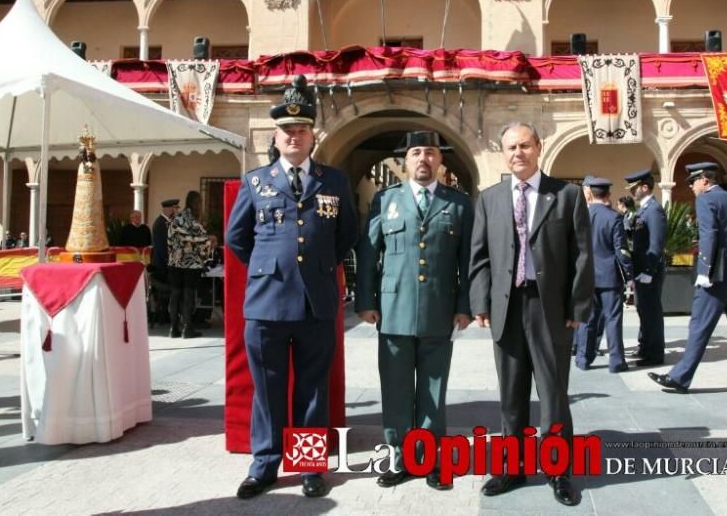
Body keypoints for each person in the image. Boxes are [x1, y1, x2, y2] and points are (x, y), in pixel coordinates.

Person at [226, 75, 357, 501]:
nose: (294, 136)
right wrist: (267, 269)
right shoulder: (255, 182)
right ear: (276, 137)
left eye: (301, 129)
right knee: (267, 391)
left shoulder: (334, 182)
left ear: (312, 135)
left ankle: (309, 465)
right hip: (266, 305)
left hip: (316, 303)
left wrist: (317, 268)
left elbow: (346, 237)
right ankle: (264, 465)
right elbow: (236, 238)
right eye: (287, 130)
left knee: (313, 389)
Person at [469, 122, 592, 507]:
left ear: (538, 147)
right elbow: (479, 258)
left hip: (550, 308)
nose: (518, 153)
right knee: (511, 395)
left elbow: (583, 254)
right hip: (507, 307)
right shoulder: (489, 198)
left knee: (553, 392)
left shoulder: (567, 195)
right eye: (510, 147)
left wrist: (577, 305)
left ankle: (558, 470)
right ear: (502, 152)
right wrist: (481, 302)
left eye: (524, 145)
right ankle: (511, 467)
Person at [355, 130, 473, 490]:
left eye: (431, 153)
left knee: (434, 389)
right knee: (396, 388)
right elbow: (368, 252)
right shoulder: (385, 199)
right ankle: (400, 457)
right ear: (406, 161)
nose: (424, 159)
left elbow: (467, 260)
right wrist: (365, 301)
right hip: (392, 310)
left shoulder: (458, 204)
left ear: (440, 160)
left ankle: (431, 458)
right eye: (416, 153)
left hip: (439, 308)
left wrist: (465, 305)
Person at [649, 163, 727, 398]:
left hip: (717, 276)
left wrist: (705, 270)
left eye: (693, 181)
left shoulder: (707, 200)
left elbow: (708, 234)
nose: (690, 186)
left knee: (699, 326)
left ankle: (680, 377)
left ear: (705, 181)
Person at [574, 177, 631, 373]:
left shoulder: (582, 216)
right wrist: (629, 274)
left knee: (587, 319)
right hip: (609, 277)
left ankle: (583, 358)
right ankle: (616, 361)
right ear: (608, 195)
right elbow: (621, 250)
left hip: (587, 275)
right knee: (613, 319)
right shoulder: (614, 217)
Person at [623, 169, 666, 367]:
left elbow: (656, 243)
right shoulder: (643, 210)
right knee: (643, 309)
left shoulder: (654, 210)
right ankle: (645, 347)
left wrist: (649, 271)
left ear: (645, 187)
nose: (632, 192)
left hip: (649, 270)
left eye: (634, 188)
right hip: (641, 268)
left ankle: (654, 353)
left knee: (652, 311)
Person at [167, 191, 210, 339]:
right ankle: (187, 329)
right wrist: (203, 258)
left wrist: (174, 256)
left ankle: (173, 329)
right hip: (191, 264)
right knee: (188, 295)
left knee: (175, 294)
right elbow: (204, 241)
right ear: (197, 203)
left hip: (175, 263)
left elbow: (169, 241)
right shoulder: (195, 222)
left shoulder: (176, 218)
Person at [149, 199, 179, 326]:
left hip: (167, 264)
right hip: (161, 266)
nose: (175, 211)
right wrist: (169, 262)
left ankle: (165, 316)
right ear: (167, 209)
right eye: (174, 208)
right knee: (175, 288)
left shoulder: (168, 222)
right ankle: (167, 316)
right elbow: (162, 247)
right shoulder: (160, 223)